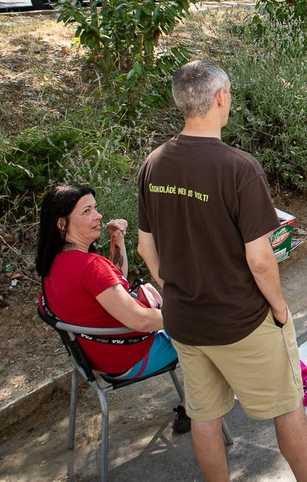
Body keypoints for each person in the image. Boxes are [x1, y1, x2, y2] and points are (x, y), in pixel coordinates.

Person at [137, 61, 307, 482]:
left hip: (185, 320)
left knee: (203, 415)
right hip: (241, 319)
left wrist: (180, 288)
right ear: (220, 97)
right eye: (230, 93)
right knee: (287, 406)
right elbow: (259, 259)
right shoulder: (239, 167)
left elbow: (147, 248)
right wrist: (278, 308)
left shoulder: (155, 163)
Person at [36, 184, 191, 434]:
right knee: (201, 331)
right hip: (129, 359)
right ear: (62, 224)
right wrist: (191, 314)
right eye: (86, 211)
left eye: (95, 208)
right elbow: (139, 320)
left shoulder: (53, 265)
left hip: (93, 358)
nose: (97, 215)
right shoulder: (89, 267)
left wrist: (116, 241)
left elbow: (116, 283)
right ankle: (191, 409)